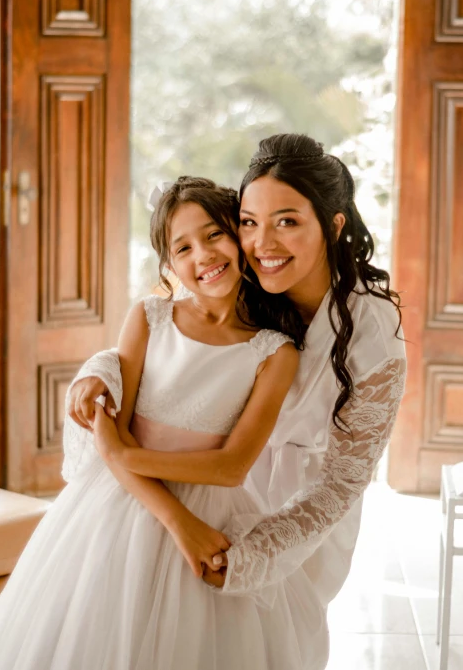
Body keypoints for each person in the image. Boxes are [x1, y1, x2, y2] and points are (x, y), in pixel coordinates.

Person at [68, 134, 407, 668]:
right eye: (249, 222)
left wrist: (254, 554)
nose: (263, 242)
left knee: (266, 642)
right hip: (209, 483)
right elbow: (168, 344)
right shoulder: (245, 279)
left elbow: (343, 481)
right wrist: (97, 371)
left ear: (334, 224)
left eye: (288, 221)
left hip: (302, 508)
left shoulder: (372, 328)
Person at [0, 176, 325, 670]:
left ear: (240, 235)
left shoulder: (275, 351)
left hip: (212, 508)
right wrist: (179, 523)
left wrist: (122, 454)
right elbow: (109, 421)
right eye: (183, 247)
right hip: (119, 506)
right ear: (169, 265)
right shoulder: (149, 318)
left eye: (213, 234)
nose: (203, 255)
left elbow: (230, 468)